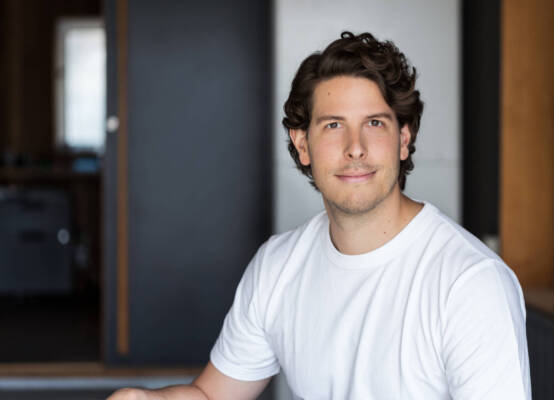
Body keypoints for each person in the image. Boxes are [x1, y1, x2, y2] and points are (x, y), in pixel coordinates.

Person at [109, 31, 531, 400]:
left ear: (404, 139)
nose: (355, 147)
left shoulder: (469, 285)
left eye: (375, 124)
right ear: (302, 143)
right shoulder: (278, 267)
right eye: (333, 125)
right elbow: (211, 394)